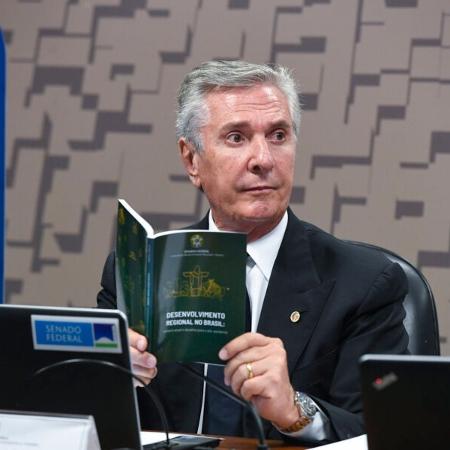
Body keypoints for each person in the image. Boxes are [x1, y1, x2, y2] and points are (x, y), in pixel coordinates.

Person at [97, 60, 408, 445]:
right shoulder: (137, 273)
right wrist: (111, 383)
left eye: (278, 135)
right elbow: (94, 421)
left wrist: (295, 410)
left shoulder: (364, 284)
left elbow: (388, 435)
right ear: (192, 160)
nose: (263, 159)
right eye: (236, 138)